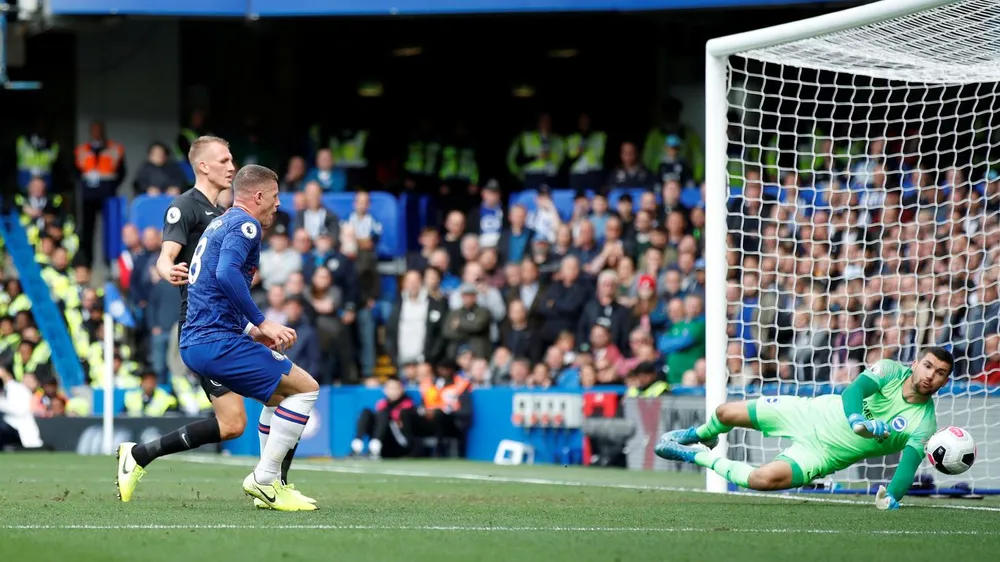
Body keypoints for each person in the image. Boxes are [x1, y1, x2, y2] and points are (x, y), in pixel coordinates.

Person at [115, 142, 303, 508]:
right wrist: (166, 270)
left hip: (224, 324)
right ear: (203, 166)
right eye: (224, 160)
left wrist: (249, 327)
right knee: (288, 395)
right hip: (203, 328)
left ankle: (139, 455)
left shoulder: (226, 214)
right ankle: (271, 485)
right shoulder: (185, 206)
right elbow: (167, 256)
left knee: (238, 422)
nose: (231, 166)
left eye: (232, 159)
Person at [156, 164, 317, 510]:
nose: (278, 204)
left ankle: (272, 485)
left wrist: (249, 330)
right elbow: (226, 273)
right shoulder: (246, 225)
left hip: (201, 339)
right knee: (307, 389)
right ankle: (265, 480)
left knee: (279, 399)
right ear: (258, 196)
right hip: (215, 341)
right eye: (274, 197)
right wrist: (263, 322)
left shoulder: (219, 223)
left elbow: (209, 291)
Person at [655, 348, 954, 510]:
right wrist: (856, 421)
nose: (931, 375)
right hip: (808, 413)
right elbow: (854, 391)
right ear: (915, 363)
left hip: (822, 455)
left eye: (940, 373)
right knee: (725, 412)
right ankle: (701, 435)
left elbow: (906, 468)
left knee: (761, 479)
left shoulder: (924, 424)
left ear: (944, 381)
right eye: (927, 366)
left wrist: (892, 496)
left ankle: (692, 455)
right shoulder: (889, 370)